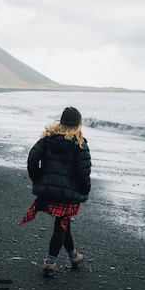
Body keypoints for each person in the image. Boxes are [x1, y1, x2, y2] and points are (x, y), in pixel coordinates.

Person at [19, 107, 92, 278]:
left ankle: (74, 257)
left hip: (49, 189)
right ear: (78, 124)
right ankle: (50, 263)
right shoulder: (79, 144)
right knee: (61, 225)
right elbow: (83, 172)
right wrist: (85, 189)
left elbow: (32, 159)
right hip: (68, 193)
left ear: (62, 121)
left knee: (63, 222)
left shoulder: (47, 139)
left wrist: (38, 179)